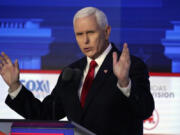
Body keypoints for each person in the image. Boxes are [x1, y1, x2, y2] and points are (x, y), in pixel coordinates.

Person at [0, 7, 154, 135]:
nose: (85, 41)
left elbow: (145, 110)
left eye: (91, 33)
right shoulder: (71, 72)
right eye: (79, 34)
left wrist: (124, 82)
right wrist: (15, 87)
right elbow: (46, 114)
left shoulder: (130, 66)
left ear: (106, 32)